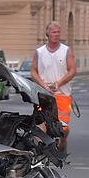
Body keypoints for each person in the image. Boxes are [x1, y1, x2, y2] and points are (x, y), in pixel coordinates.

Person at [31, 21, 76, 151]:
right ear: (47, 34)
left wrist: (58, 84)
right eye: (53, 32)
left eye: (58, 32)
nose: (56, 34)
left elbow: (72, 70)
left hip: (62, 94)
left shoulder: (66, 51)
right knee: (42, 124)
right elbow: (33, 71)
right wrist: (43, 85)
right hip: (44, 94)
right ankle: (43, 149)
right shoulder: (39, 52)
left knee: (63, 126)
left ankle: (63, 139)